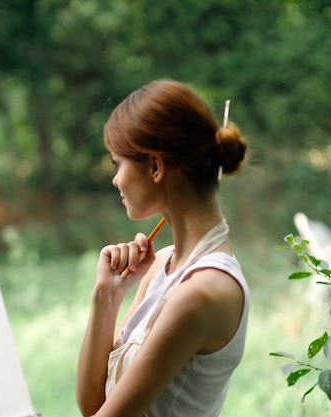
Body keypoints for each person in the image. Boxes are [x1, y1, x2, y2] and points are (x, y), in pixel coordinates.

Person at [76, 80, 250, 417]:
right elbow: (93, 404)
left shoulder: (203, 292)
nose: (115, 179)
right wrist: (107, 295)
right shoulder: (165, 264)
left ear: (155, 167)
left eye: (117, 164)